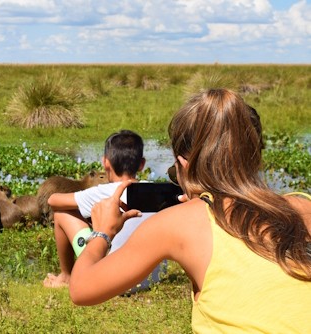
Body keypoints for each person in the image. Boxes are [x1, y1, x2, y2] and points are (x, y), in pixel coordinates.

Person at [69, 88, 311, 333]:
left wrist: (101, 233)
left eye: (175, 174)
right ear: (255, 157)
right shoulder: (305, 208)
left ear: (184, 164)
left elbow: (81, 289)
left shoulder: (177, 224)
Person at [43, 129, 147, 288]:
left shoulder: (102, 192)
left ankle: (66, 276)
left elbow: (53, 200)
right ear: (142, 164)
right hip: (148, 279)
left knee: (61, 213)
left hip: (110, 283)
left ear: (105, 162)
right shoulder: (156, 191)